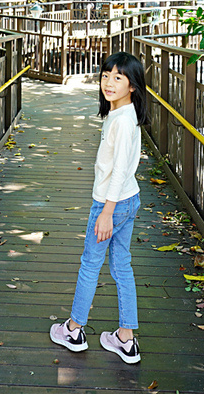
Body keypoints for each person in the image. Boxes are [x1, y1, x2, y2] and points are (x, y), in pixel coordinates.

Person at [49, 51, 149, 364]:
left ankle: (74, 330)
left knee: (91, 264)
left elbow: (119, 170)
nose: (109, 82)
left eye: (119, 77)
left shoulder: (121, 121)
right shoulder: (126, 113)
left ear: (132, 85)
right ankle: (125, 338)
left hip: (112, 203)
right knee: (121, 265)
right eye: (106, 75)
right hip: (129, 199)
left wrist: (106, 212)